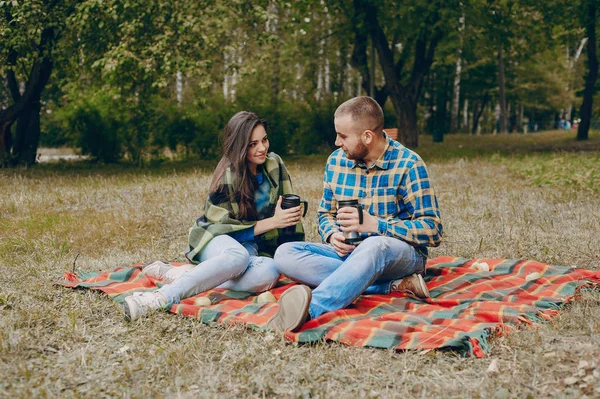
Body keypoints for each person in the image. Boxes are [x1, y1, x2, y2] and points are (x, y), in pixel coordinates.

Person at [267, 96, 443, 332]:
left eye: (343, 136)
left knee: (374, 245)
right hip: (350, 253)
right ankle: (387, 287)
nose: (336, 141)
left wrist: (376, 225)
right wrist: (331, 236)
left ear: (367, 136)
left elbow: (432, 231)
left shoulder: (409, 164)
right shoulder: (336, 162)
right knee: (284, 253)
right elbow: (325, 214)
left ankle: (310, 308)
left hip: (400, 254)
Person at [124, 111, 305, 321]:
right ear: (239, 146)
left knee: (270, 273)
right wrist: (273, 222)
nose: (262, 148)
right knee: (238, 257)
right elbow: (222, 227)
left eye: (264, 140)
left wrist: (291, 243)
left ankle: (186, 275)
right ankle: (160, 298)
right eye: (252, 144)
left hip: (254, 248)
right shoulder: (229, 174)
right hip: (217, 239)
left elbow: (286, 208)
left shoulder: (274, 165)